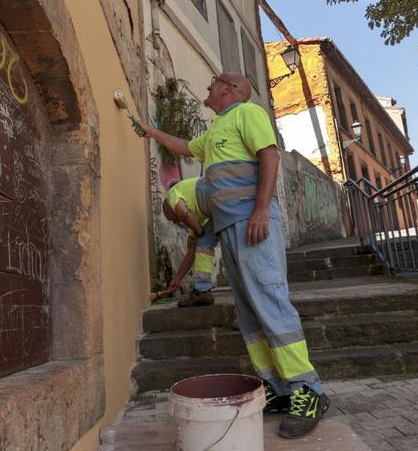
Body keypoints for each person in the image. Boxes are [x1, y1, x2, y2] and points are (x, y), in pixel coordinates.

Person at [135, 73, 328, 439]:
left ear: (228, 88)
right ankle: (278, 389)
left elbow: (269, 156)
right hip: (229, 230)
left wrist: (259, 210)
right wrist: (149, 131)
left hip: (253, 225)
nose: (206, 89)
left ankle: (307, 390)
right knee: (250, 316)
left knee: (271, 304)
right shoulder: (216, 130)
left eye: (211, 85)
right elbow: (184, 146)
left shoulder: (248, 114)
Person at [162, 177, 217, 307]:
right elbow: (191, 252)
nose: (175, 222)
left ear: (167, 207)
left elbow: (183, 212)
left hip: (212, 190)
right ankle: (202, 291)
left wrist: (198, 230)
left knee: (206, 239)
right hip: (215, 208)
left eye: (171, 219)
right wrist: (177, 278)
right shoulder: (193, 217)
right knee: (203, 244)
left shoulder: (172, 195)